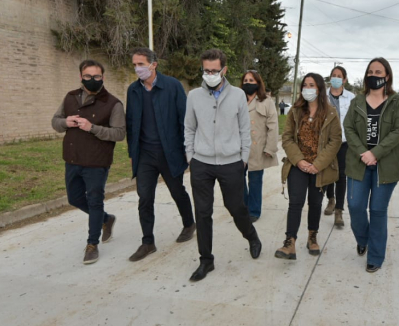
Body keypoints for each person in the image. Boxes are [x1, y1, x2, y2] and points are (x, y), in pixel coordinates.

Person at [185, 49, 262, 281]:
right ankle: (206, 260)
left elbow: (244, 131)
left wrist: (243, 159)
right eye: (206, 70)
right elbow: (189, 128)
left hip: (231, 163)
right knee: (202, 212)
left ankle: (251, 236)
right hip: (201, 163)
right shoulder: (194, 96)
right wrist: (191, 156)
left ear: (224, 70)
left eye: (214, 70)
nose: (210, 74)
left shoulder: (238, 95)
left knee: (236, 207)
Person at [52, 59, 125, 264]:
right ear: (80, 76)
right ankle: (105, 219)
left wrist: (92, 127)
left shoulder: (113, 103)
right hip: (73, 159)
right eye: (87, 76)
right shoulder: (70, 97)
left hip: (96, 161)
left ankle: (92, 245)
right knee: (74, 199)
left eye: (96, 76)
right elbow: (55, 121)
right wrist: (65, 122)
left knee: (94, 201)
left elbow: (119, 134)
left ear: (103, 77)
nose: (92, 80)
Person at [125, 48, 196, 262]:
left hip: (169, 151)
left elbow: (185, 120)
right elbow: (130, 123)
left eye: (141, 64)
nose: (138, 68)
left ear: (153, 64)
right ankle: (148, 242)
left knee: (177, 191)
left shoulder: (172, 86)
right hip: (144, 154)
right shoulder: (133, 90)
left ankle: (189, 223)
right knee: (144, 197)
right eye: (135, 65)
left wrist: (186, 150)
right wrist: (132, 152)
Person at [344, 58, 399, 273]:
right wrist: (364, 152)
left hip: (386, 164)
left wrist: (376, 153)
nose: (374, 75)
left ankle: (375, 256)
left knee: (378, 210)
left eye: (378, 72)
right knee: (355, 207)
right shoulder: (357, 101)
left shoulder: (397, 101)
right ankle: (363, 238)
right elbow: (349, 128)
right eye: (370, 71)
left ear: (387, 76)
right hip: (358, 162)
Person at [275, 73, 342, 260]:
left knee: (315, 203)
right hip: (298, 165)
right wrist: (299, 160)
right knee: (295, 202)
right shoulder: (295, 111)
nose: (307, 88)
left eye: (311, 85)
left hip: (319, 168)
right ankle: (290, 242)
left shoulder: (330, 113)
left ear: (319, 89)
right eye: (305, 85)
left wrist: (318, 164)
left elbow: (335, 141)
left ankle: (312, 236)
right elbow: (287, 138)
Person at [241, 70, 279, 222]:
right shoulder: (237, 100)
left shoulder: (267, 102)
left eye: (251, 80)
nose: (248, 83)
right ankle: (243, 208)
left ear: (258, 83)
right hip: (239, 148)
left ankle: (254, 211)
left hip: (257, 148)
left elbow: (273, 126)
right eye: (245, 81)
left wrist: (270, 148)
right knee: (238, 180)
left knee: (255, 181)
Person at [324, 65, 355, 227]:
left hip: (343, 142)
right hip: (327, 142)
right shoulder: (322, 96)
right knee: (328, 173)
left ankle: (339, 211)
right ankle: (330, 199)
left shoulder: (351, 97)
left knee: (341, 176)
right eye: (333, 75)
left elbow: (355, 120)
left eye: (339, 76)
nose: (336, 78)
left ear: (344, 79)